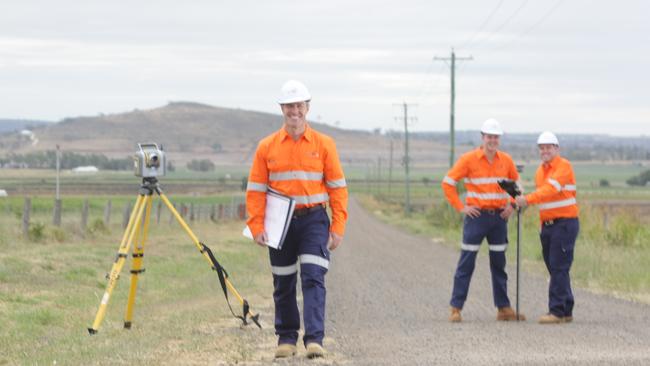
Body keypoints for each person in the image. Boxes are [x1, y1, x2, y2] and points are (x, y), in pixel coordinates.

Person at [245, 80, 348, 358]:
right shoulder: (266, 147)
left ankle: (315, 339)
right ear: (282, 109)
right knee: (284, 281)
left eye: (299, 105)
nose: (295, 111)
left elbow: (338, 187)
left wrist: (337, 226)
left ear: (307, 107)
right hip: (280, 223)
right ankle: (286, 339)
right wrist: (256, 225)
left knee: (314, 277)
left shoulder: (325, 144)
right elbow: (255, 190)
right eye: (290, 106)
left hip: (314, 219)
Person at [441, 118, 525, 322]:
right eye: (489, 137)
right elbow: (448, 183)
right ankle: (456, 308)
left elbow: (517, 185)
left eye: (496, 137)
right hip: (476, 218)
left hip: (499, 218)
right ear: (482, 137)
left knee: (499, 264)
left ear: (499, 139)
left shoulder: (506, 160)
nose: (492, 140)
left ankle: (503, 308)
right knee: (466, 263)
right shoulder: (468, 159)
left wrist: (512, 205)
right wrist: (462, 207)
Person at [515, 131, 579, 324]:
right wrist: (520, 202)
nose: (545, 151)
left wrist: (526, 200)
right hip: (548, 225)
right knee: (555, 267)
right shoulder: (540, 171)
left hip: (565, 223)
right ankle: (566, 309)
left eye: (548, 147)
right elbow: (541, 196)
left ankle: (556, 312)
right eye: (542, 148)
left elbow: (550, 191)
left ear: (556, 149)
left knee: (559, 267)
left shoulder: (563, 166)